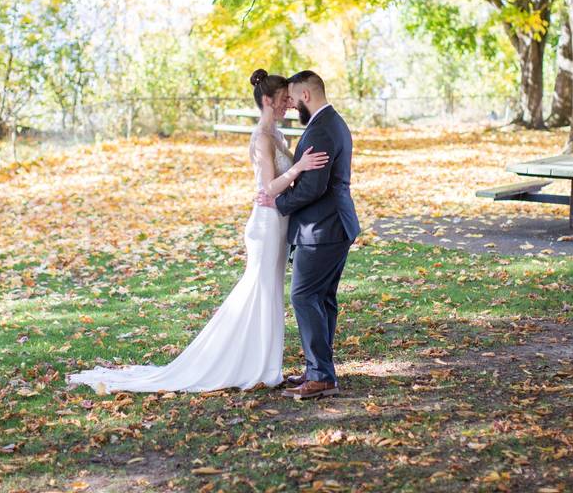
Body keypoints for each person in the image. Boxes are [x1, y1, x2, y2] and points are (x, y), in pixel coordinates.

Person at [66, 69, 327, 393]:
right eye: (284, 99)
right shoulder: (262, 137)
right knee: (258, 291)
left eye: (290, 98)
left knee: (270, 292)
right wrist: (300, 168)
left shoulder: (277, 135)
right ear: (267, 100)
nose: (289, 103)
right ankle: (245, 365)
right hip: (266, 224)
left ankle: (263, 365)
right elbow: (268, 188)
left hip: (279, 222)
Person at [257, 70, 360, 400]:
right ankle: (320, 369)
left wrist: (278, 201)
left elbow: (314, 187)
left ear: (305, 97)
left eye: (293, 98)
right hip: (333, 225)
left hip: (323, 228)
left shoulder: (321, 130)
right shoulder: (332, 123)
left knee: (304, 296)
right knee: (323, 300)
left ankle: (321, 375)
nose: (291, 105)